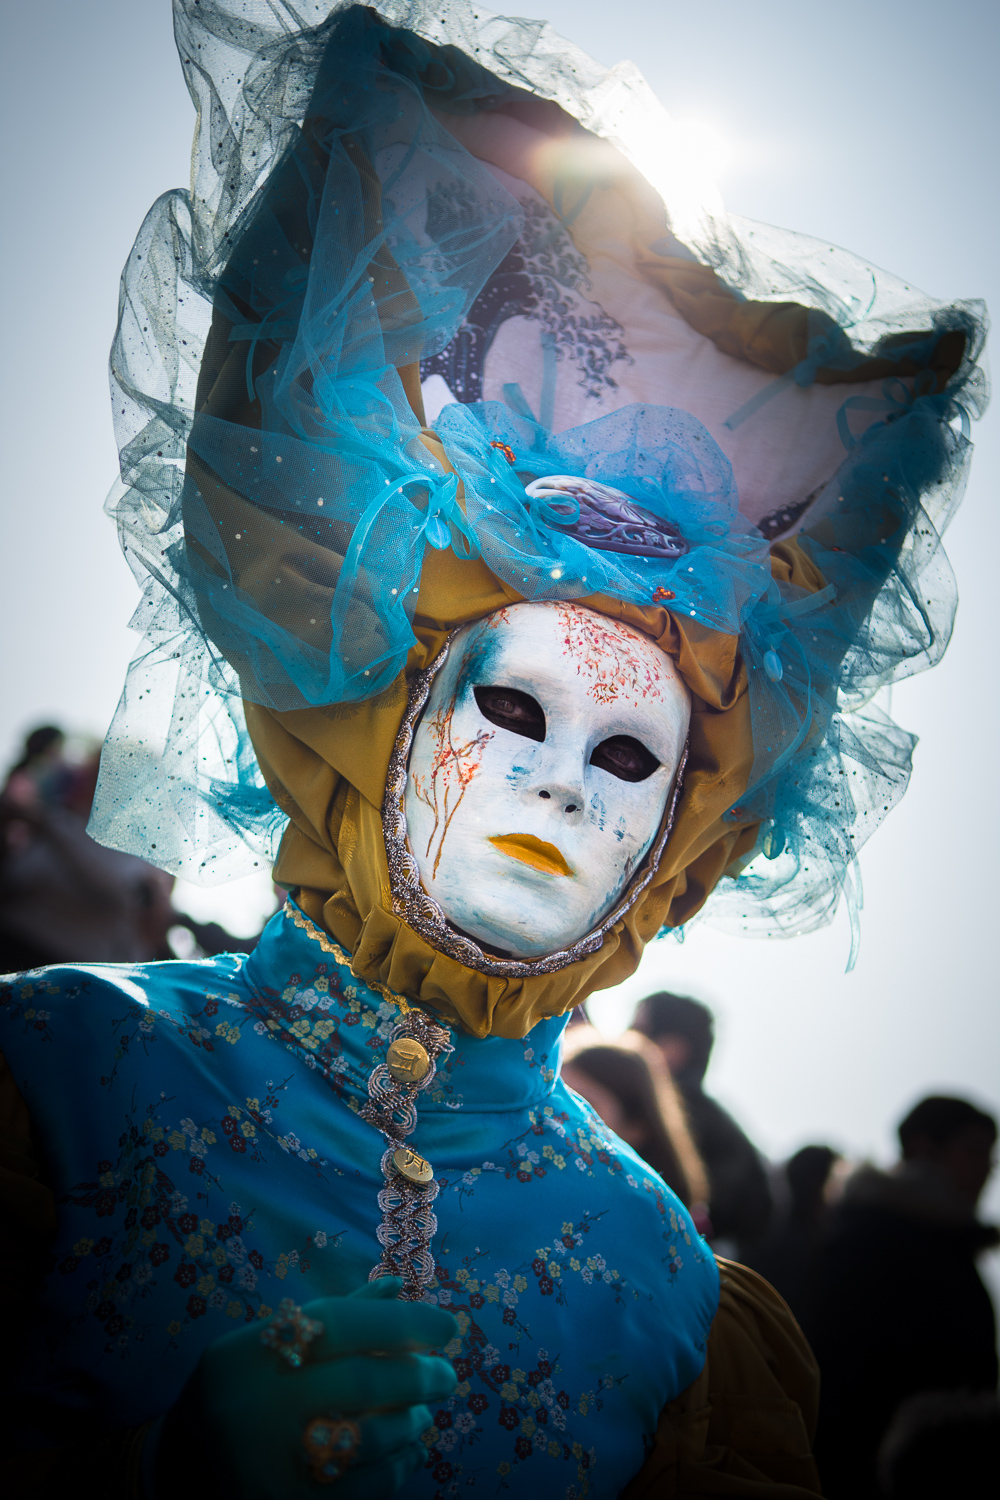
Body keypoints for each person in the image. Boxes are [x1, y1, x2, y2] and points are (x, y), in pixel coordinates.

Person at [0, 3, 984, 1496]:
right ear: (386, 716)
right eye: (512, 710)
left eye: (630, 758)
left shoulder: (671, 1309)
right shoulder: (56, 1080)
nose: (554, 781)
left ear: (688, 834)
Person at [808, 1096, 999, 1499]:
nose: (984, 1169)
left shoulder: (937, 1236)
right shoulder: (877, 1236)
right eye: (973, 1150)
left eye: (990, 1156)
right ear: (922, 1147)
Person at [633, 991, 772, 1255]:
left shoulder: (679, 1116)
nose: (623, 1040)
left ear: (674, 1050)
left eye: (638, 1031)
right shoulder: (715, 1120)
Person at [561, 1028, 711, 1230]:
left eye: (585, 1105)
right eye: (558, 1100)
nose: (560, 1117)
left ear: (636, 1126)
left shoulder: (658, 1226)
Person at [743, 1144, 841, 1324]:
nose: (839, 1191)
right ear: (817, 1184)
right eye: (834, 1181)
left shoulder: (779, 1239)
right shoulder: (798, 1249)